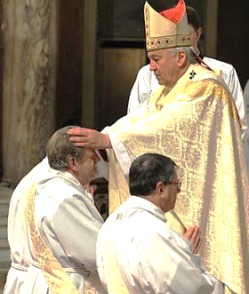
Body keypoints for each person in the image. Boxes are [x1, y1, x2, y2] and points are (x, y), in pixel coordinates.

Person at [68, 1, 249, 293]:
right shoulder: (167, 90)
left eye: (156, 59)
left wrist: (109, 140)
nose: (151, 67)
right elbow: (139, 119)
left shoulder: (206, 86)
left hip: (202, 201)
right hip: (172, 199)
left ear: (180, 56)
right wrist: (106, 138)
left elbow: (165, 127)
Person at [97, 153, 222, 293]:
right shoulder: (155, 234)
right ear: (161, 188)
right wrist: (187, 258)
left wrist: (181, 253)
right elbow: (194, 289)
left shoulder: (109, 225)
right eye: (177, 185)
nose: (178, 191)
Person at [3, 126, 107, 293]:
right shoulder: (65, 196)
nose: (97, 162)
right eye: (92, 158)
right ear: (73, 162)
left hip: (27, 281)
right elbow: (96, 252)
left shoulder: (31, 180)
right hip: (60, 283)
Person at [127, 5, 247, 139]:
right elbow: (134, 121)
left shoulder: (223, 72)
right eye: (176, 37)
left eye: (185, 36)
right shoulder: (148, 74)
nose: (181, 45)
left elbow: (238, 123)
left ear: (198, 33)